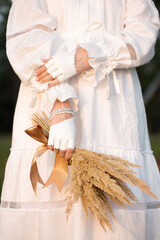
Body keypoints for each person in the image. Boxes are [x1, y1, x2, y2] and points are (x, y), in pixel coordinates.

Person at [0, 0, 160, 239]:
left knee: (116, 214)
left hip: (113, 108)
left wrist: (87, 57)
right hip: (47, 96)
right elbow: (26, 37)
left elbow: (143, 31)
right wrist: (59, 103)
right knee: (55, 203)